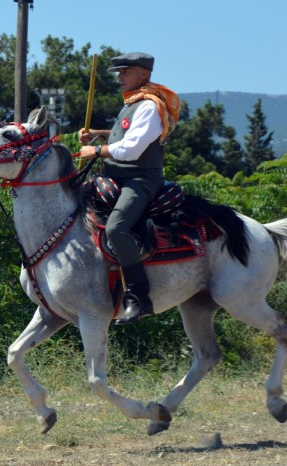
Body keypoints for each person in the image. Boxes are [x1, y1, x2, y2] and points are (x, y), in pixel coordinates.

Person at [79, 51, 181, 325]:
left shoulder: (149, 105)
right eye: (119, 73)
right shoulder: (132, 103)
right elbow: (124, 135)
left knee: (116, 228)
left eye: (125, 72)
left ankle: (138, 298)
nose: (119, 77)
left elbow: (133, 149)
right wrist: (99, 135)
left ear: (144, 75)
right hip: (116, 175)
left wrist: (97, 149)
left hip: (139, 179)